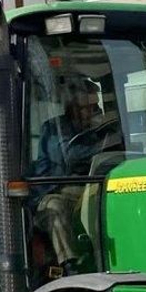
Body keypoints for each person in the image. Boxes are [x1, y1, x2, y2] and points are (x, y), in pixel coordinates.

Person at [30, 82, 118, 268]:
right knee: (54, 207)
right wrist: (105, 143)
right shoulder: (54, 129)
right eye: (88, 108)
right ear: (73, 109)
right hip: (58, 188)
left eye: (97, 107)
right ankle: (71, 266)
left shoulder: (100, 130)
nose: (95, 112)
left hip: (96, 185)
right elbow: (69, 157)